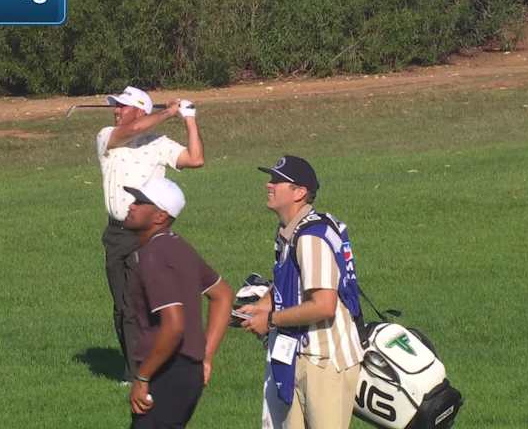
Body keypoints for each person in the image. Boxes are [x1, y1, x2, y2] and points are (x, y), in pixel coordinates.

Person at [240, 155, 364, 429]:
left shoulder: (310, 237)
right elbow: (290, 281)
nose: (268, 185)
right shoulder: (289, 229)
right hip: (297, 355)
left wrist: (270, 320)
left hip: (325, 363)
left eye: (277, 181)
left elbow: (323, 305)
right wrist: (261, 304)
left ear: (299, 192)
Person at [96, 86, 204, 383]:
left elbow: (195, 159)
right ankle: (134, 372)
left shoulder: (159, 143)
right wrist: (169, 111)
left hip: (150, 234)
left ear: (140, 110)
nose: (116, 111)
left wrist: (189, 118)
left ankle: (160, 364)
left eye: (122, 107)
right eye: (116, 106)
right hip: (118, 234)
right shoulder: (107, 137)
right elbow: (133, 129)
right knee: (124, 305)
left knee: (152, 301)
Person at [121, 177, 233, 428]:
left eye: (140, 202)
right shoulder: (179, 246)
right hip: (186, 372)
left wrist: (142, 376)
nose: (132, 206)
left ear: (160, 216)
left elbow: (173, 325)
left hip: (166, 371)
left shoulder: (154, 254)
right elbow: (223, 294)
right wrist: (206, 356)